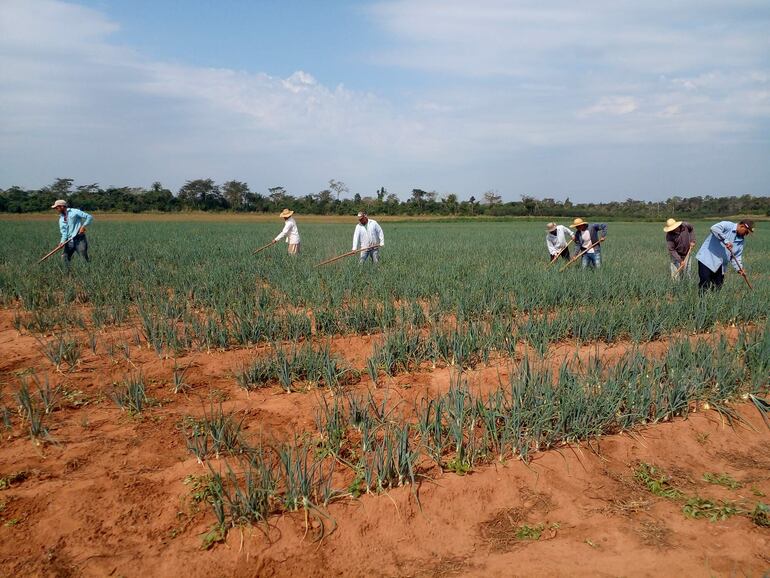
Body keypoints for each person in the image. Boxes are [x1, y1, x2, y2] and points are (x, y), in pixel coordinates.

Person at [695, 219, 754, 292]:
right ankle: (702, 303)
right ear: (742, 226)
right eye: (746, 232)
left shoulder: (741, 240)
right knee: (705, 283)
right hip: (707, 259)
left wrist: (739, 269)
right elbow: (714, 228)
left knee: (718, 286)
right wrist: (726, 241)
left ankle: (713, 302)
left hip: (721, 264)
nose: (746, 234)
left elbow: (736, 256)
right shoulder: (728, 225)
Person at [52, 199, 92, 267]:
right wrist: (62, 242)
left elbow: (89, 217)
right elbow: (64, 233)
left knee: (84, 259)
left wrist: (83, 226)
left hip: (79, 240)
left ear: (62, 206)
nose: (56, 209)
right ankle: (68, 274)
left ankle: (88, 273)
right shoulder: (61, 219)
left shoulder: (75, 212)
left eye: (57, 207)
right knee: (65, 257)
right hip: (69, 241)